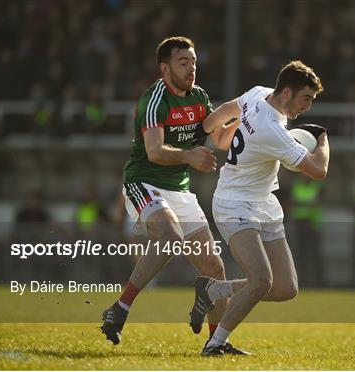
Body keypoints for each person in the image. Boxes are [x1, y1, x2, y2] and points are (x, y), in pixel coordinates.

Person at [100, 36, 245, 354]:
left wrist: (245, 121)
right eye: (184, 62)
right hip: (145, 183)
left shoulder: (200, 97)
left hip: (179, 190)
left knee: (214, 267)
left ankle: (216, 343)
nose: (192, 67)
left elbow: (218, 137)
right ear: (165, 68)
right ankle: (120, 309)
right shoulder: (155, 98)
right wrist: (190, 156)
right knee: (170, 236)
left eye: (194, 61)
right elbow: (154, 151)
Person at [189, 61, 329, 356]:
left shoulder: (258, 93)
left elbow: (225, 111)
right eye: (306, 99)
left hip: (264, 204)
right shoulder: (273, 130)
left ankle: (215, 290)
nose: (308, 107)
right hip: (233, 203)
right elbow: (318, 170)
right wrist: (322, 139)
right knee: (261, 281)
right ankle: (215, 345)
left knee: (285, 289)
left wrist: (210, 131)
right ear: (288, 92)